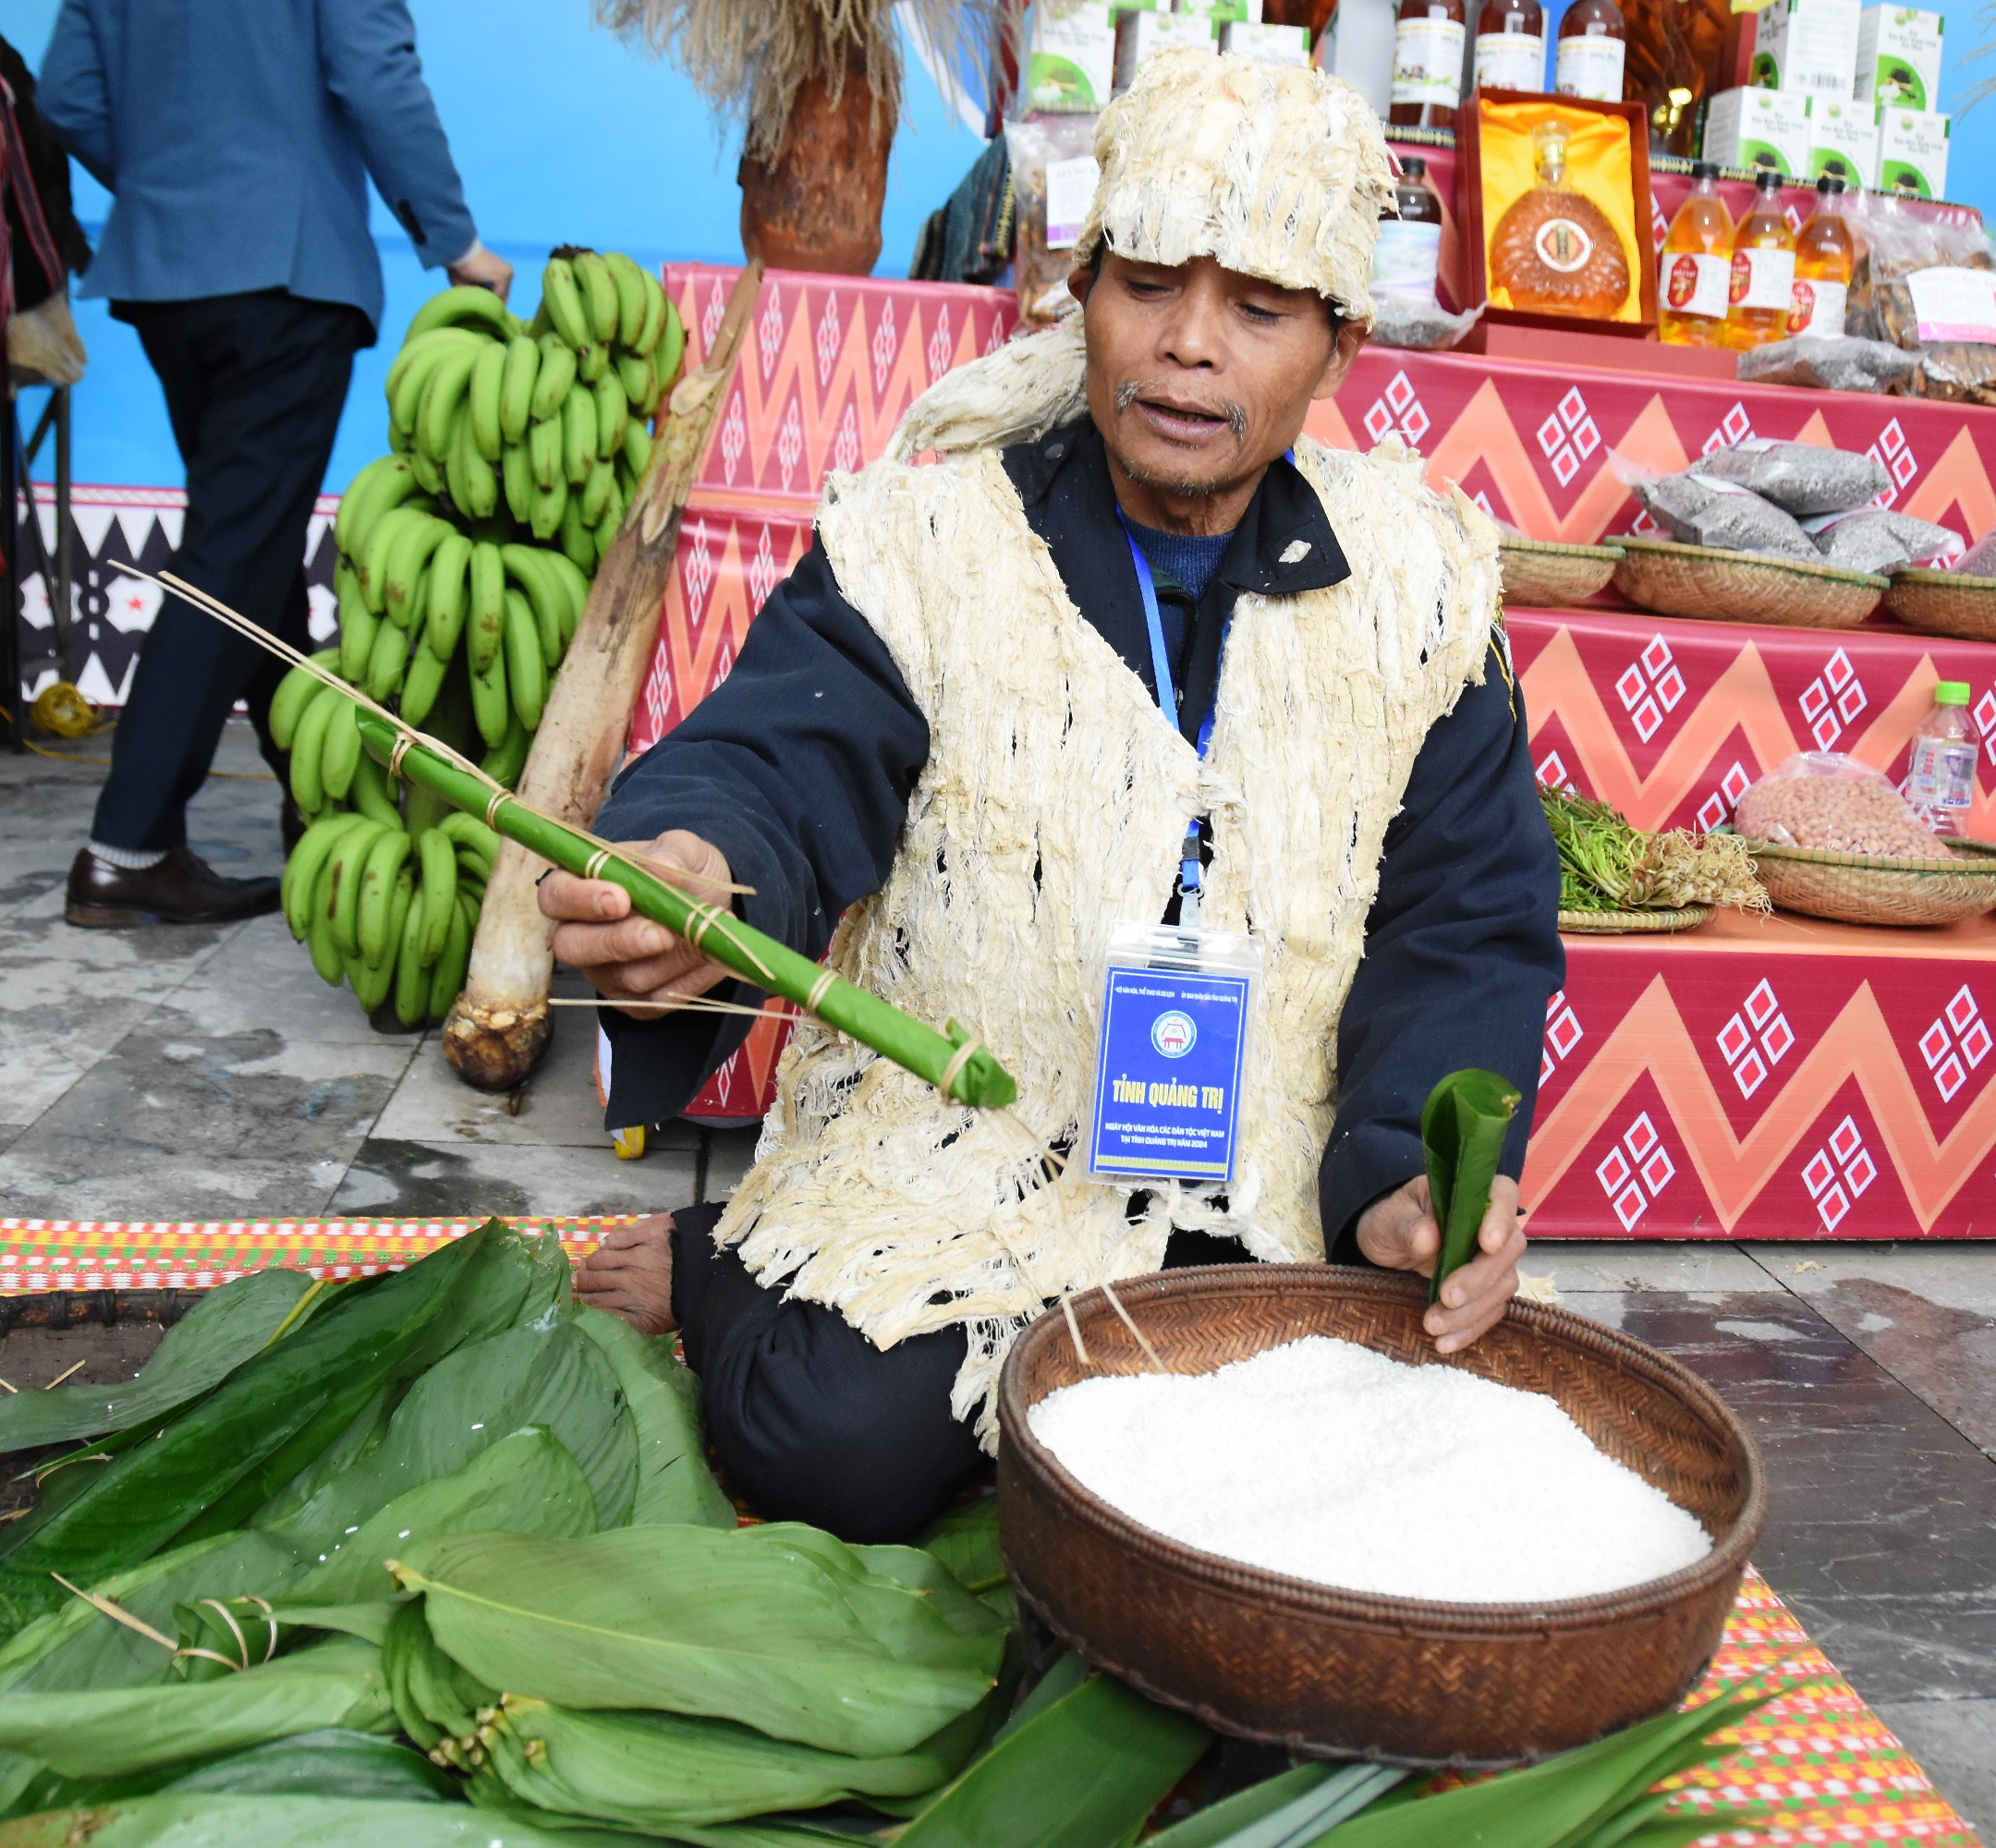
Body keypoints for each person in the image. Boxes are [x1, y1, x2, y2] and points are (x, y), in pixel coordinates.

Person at [552, 50, 1564, 1543]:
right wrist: (707, 862)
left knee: (1370, 1466)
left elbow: (1466, 919)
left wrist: (1410, 1174)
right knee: (830, 1450)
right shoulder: (930, 537)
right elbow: (787, 746)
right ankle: (720, 1264)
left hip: (1257, 1182)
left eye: (1259, 309)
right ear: (1080, 294)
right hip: (973, 1159)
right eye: (1147, 285)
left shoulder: (1415, 591)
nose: (1190, 350)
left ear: (1338, 350)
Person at [38, 0, 513, 927]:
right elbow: (375, 75)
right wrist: (457, 244)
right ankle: (125, 847)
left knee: (250, 540)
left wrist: (169, 184)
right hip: (285, 269)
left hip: (167, 272)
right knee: (231, 553)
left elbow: (66, 95)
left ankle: (319, 800)